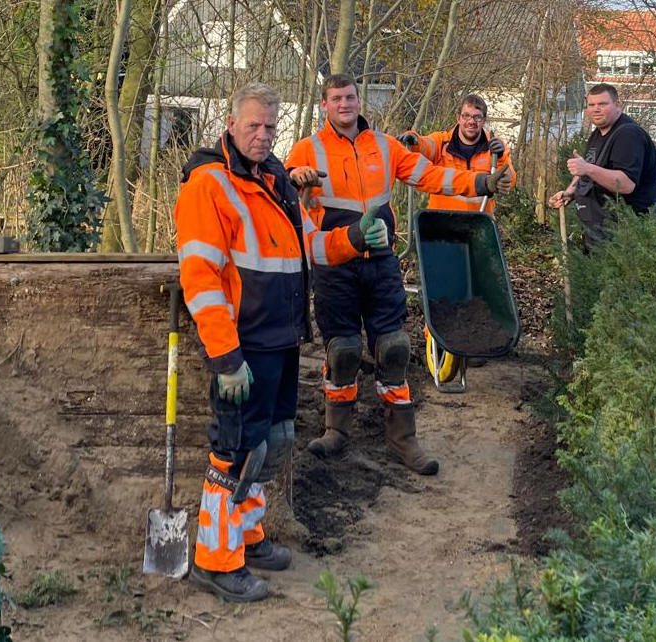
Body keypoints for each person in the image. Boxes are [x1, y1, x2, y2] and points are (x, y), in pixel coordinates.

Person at [174, 82, 359, 602]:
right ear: (230, 124)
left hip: (281, 340)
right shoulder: (209, 183)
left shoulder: (273, 181)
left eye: (271, 127)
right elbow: (201, 278)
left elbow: (304, 251)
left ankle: (248, 537)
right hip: (244, 347)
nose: (262, 135)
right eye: (253, 125)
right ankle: (214, 559)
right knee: (233, 452)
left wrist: (352, 238)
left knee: (269, 447)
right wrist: (225, 357)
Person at [285, 74, 511, 475]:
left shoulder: (384, 146)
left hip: (381, 262)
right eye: (336, 99)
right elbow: (285, 189)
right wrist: (295, 178)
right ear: (324, 105)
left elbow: (432, 175)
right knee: (343, 352)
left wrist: (480, 181)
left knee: (393, 348)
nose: (344, 105)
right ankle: (336, 429)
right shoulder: (307, 149)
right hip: (334, 265)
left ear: (359, 100)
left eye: (350, 97)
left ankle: (402, 438)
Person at [549, 83, 656, 250]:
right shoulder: (598, 133)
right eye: (591, 105)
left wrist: (587, 169)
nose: (596, 109)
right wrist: (570, 192)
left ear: (617, 105)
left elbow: (626, 184)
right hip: (600, 231)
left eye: (602, 104)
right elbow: (587, 168)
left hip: (626, 234)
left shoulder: (628, 135)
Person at [396, 94, 516, 215]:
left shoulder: (494, 147)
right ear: (458, 118)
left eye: (477, 117)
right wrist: (414, 141)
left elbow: (509, 181)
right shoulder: (441, 143)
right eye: (466, 116)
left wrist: (500, 157)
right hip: (441, 223)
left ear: (484, 120)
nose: (471, 121)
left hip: (479, 226)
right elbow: (426, 146)